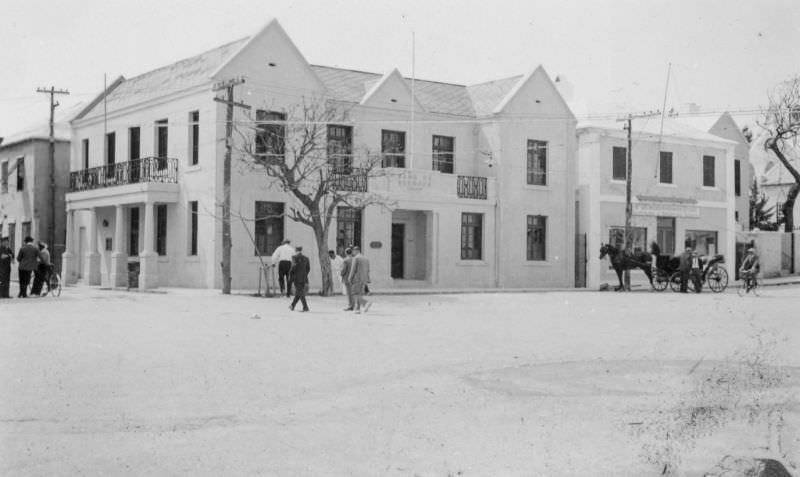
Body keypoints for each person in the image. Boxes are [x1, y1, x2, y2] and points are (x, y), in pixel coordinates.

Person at [348, 246, 371, 314]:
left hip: (357, 278)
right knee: (359, 293)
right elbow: (368, 270)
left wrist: (350, 278)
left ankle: (365, 303)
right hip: (364, 279)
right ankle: (357, 309)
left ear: (356, 251)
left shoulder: (356, 258)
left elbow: (353, 269)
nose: (353, 253)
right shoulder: (366, 258)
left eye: (353, 251)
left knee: (354, 293)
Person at [288, 246, 310, 312]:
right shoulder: (306, 258)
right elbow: (308, 268)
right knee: (299, 292)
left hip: (297, 278)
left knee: (300, 292)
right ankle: (292, 305)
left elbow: (293, 268)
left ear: (296, 250)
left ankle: (305, 307)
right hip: (304, 278)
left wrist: (291, 275)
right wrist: (304, 274)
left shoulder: (294, 257)